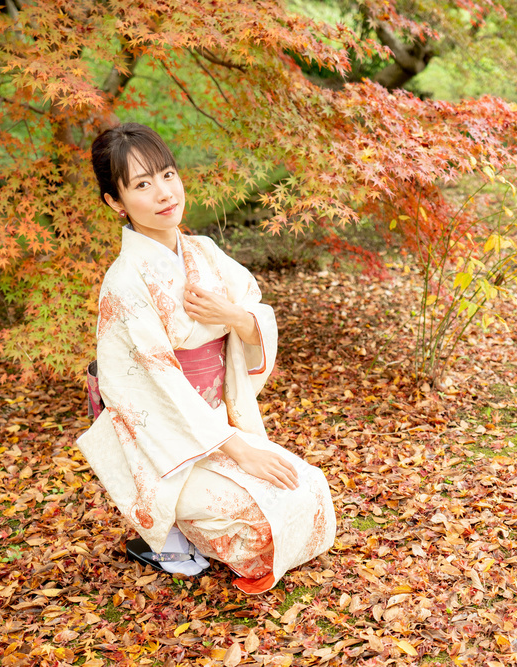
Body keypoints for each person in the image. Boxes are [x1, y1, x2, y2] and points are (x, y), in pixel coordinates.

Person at [75, 122, 336, 594]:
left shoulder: (204, 252)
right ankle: (166, 539)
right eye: (142, 185)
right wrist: (239, 450)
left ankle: (186, 529)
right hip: (166, 445)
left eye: (168, 175)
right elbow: (156, 384)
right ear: (115, 202)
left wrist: (234, 317)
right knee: (256, 523)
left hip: (217, 419)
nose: (164, 193)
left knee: (311, 488)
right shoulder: (124, 282)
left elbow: (253, 311)